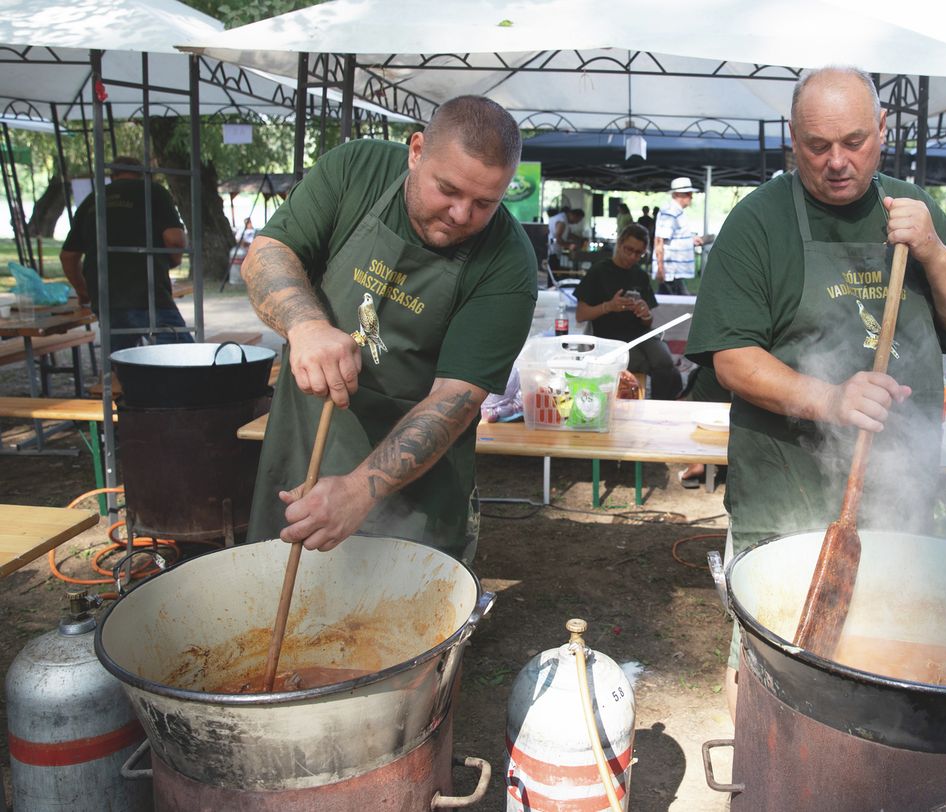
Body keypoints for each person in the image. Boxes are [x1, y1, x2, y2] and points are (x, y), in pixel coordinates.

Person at [685, 66, 946, 719]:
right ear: (791, 141)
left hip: (896, 503)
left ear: (882, 131)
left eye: (854, 141)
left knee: (881, 675)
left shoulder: (917, 211)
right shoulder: (757, 223)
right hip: (782, 499)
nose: (836, 162)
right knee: (774, 686)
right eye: (817, 145)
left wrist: (934, 250)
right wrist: (830, 400)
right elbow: (732, 358)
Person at [241, 95, 537, 562]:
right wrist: (307, 325)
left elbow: (455, 399)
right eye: (448, 189)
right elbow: (268, 253)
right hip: (307, 432)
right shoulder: (355, 169)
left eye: (485, 203)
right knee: (280, 597)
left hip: (415, 483)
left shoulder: (509, 264)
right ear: (416, 150)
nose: (461, 214)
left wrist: (360, 491)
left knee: (395, 620)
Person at [60, 156, 192, 350]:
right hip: (148, 291)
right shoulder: (153, 192)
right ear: (143, 175)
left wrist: (84, 292)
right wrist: (172, 261)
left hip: (106, 296)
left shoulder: (93, 200)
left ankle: (119, 379)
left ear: (112, 176)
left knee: (120, 362)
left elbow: (68, 257)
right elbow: (175, 239)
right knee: (182, 356)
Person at [575, 224, 683, 400]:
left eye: (639, 253)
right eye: (629, 250)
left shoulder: (639, 275)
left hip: (640, 333)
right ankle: (658, 406)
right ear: (619, 243)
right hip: (610, 337)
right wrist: (608, 306)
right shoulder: (599, 271)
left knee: (664, 361)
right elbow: (581, 314)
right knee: (649, 365)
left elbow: (647, 322)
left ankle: (661, 408)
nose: (632, 257)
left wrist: (645, 313)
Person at [654, 178, 706, 295]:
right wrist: (660, 268)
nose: (691, 197)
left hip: (674, 272)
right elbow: (659, 240)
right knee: (678, 306)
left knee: (673, 305)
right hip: (671, 271)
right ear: (678, 194)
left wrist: (690, 240)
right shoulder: (670, 212)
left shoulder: (676, 211)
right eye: (688, 193)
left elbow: (673, 238)